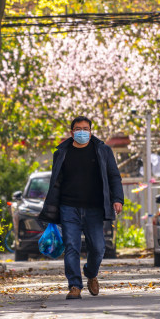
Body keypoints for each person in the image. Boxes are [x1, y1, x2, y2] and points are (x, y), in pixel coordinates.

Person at [39, 116, 124, 300]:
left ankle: (90, 273)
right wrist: (52, 208)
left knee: (99, 247)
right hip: (69, 207)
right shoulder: (62, 152)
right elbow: (56, 182)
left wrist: (117, 199)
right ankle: (74, 286)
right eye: (78, 129)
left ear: (91, 131)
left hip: (94, 208)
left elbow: (114, 176)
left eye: (86, 129)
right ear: (72, 132)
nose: (82, 132)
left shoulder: (102, 150)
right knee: (72, 246)